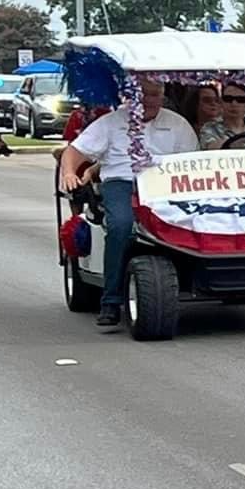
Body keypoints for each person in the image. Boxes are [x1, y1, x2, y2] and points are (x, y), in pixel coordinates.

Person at [57, 75, 198, 331]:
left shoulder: (177, 125)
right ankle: (110, 300)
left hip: (167, 183)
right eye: (142, 94)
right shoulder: (111, 123)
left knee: (197, 217)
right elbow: (75, 152)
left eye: (154, 94)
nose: (148, 100)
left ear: (162, 96)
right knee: (121, 224)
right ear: (130, 95)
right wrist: (69, 172)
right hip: (122, 182)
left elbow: (194, 164)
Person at [197, 83, 245, 150]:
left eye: (240, 99)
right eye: (228, 99)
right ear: (221, 102)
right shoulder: (210, 128)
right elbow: (211, 147)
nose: (234, 104)